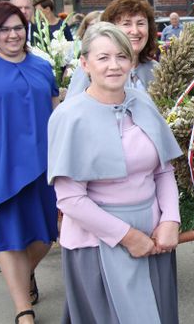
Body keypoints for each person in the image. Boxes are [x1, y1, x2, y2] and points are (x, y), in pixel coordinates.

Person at [48, 22, 183, 323]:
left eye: (122, 57)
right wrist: (128, 236)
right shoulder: (69, 117)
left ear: (132, 61)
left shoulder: (143, 103)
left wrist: (171, 219)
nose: (114, 65)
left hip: (154, 236)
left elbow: (163, 171)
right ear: (85, 63)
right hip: (97, 243)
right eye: (103, 57)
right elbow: (70, 199)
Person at [0, 2, 59, 324]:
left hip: (45, 163)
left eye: (17, 27)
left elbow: (57, 112)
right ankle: (24, 311)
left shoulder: (42, 66)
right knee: (9, 236)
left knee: (46, 234)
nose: (12, 34)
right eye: (4, 29)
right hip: (2, 165)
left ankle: (22, 274)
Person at [66, 0, 159, 98]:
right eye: (126, 24)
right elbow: (72, 109)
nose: (135, 31)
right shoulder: (92, 68)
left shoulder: (156, 70)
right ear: (111, 29)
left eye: (140, 23)